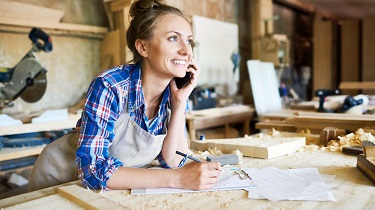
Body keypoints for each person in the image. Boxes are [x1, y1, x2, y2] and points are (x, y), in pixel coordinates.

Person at [29, 0, 221, 192]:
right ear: (142, 48)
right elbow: (93, 171)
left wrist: (179, 102)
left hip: (109, 187)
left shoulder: (174, 92)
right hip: (60, 180)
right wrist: (177, 179)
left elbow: (173, 160)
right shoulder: (110, 86)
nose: (186, 51)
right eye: (173, 38)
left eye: (189, 41)